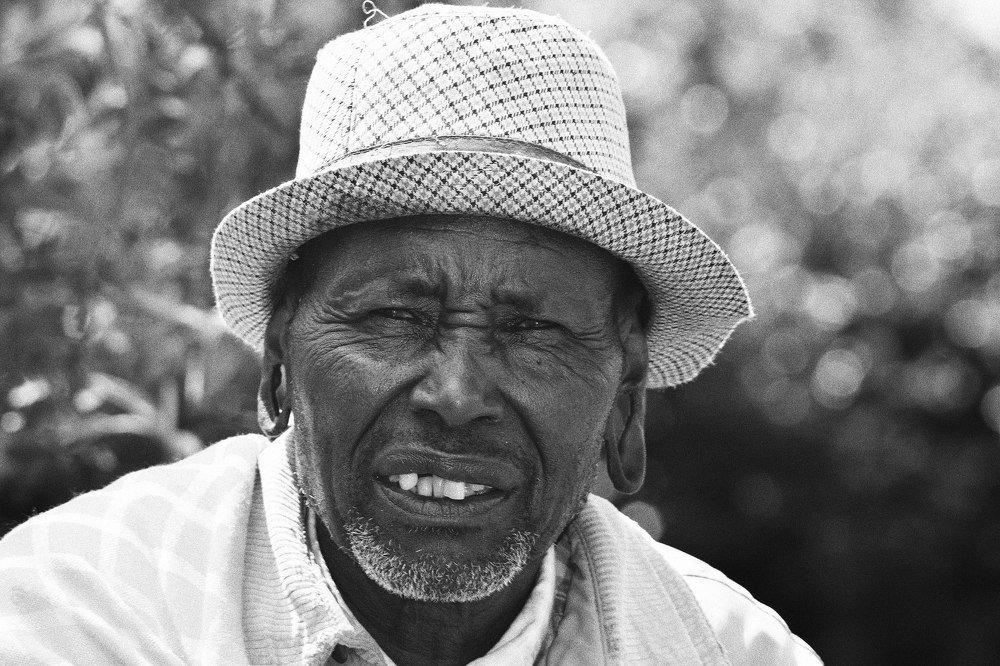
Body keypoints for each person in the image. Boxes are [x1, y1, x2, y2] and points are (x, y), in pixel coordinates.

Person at [0, 4, 821, 664]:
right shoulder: (76, 618)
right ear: (279, 360)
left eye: (532, 329)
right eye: (394, 317)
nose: (457, 397)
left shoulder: (729, 651)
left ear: (627, 401)